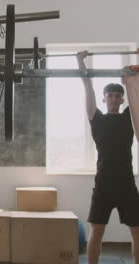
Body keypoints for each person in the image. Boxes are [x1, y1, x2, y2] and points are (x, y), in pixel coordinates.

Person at [77, 51, 139, 264]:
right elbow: (87, 87)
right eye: (109, 95)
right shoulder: (97, 119)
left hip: (127, 184)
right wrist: (79, 61)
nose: (113, 98)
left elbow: (137, 93)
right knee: (96, 232)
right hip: (103, 185)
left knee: (137, 232)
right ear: (104, 98)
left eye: (117, 95)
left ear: (122, 99)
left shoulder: (129, 117)